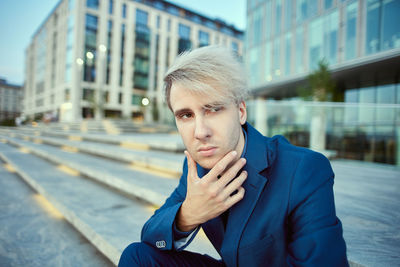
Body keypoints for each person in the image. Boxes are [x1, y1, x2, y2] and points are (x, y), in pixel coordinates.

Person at [119, 46, 348, 266]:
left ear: (240, 111)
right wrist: (188, 214)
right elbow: (151, 235)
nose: (200, 132)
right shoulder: (198, 167)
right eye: (186, 115)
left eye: (213, 109)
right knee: (137, 257)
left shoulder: (304, 169)